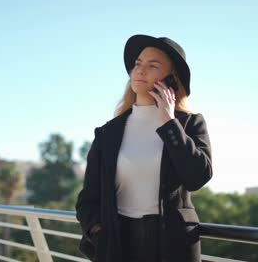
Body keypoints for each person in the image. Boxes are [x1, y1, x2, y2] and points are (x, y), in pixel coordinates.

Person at [75, 34, 213, 262]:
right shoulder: (107, 133)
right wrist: (99, 232)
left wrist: (169, 122)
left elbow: (197, 177)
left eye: (152, 65)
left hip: (174, 245)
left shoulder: (189, 124)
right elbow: (87, 200)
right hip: (119, 244)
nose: (140, 70)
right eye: (138, 64)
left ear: (171, 78)